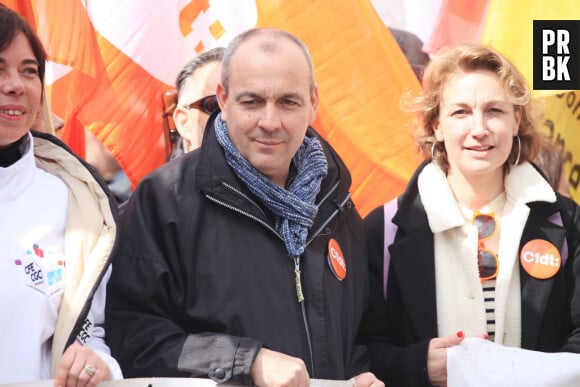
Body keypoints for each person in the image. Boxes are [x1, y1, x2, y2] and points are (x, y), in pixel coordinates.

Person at [105, 28, 382, 386]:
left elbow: (360, 335)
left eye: (288, 102)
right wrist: (245, 360)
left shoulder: (337, 204)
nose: (270, 121)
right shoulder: (163, 199)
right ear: (223, 98)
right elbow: (131, 338)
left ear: (313, 103)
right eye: (252, 102)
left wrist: (361, 375)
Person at [359, 43, 580, 386]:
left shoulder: (567, 222)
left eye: (494, 110)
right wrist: (418, 365)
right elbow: (360, 350)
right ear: (436, 125)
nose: (479, 129)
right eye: (460, 112)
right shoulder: (383, 230)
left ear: (516, 119)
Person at [0, 4, 122, 384]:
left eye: (29, 71)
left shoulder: (76, 202)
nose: (15, 84)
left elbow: (93, 333)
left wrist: (99, 366)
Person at [168, 46, 224, 159]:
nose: (229, 116)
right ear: (184, 122)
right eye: (214, 105)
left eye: (248, 102)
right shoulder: (167, 177)